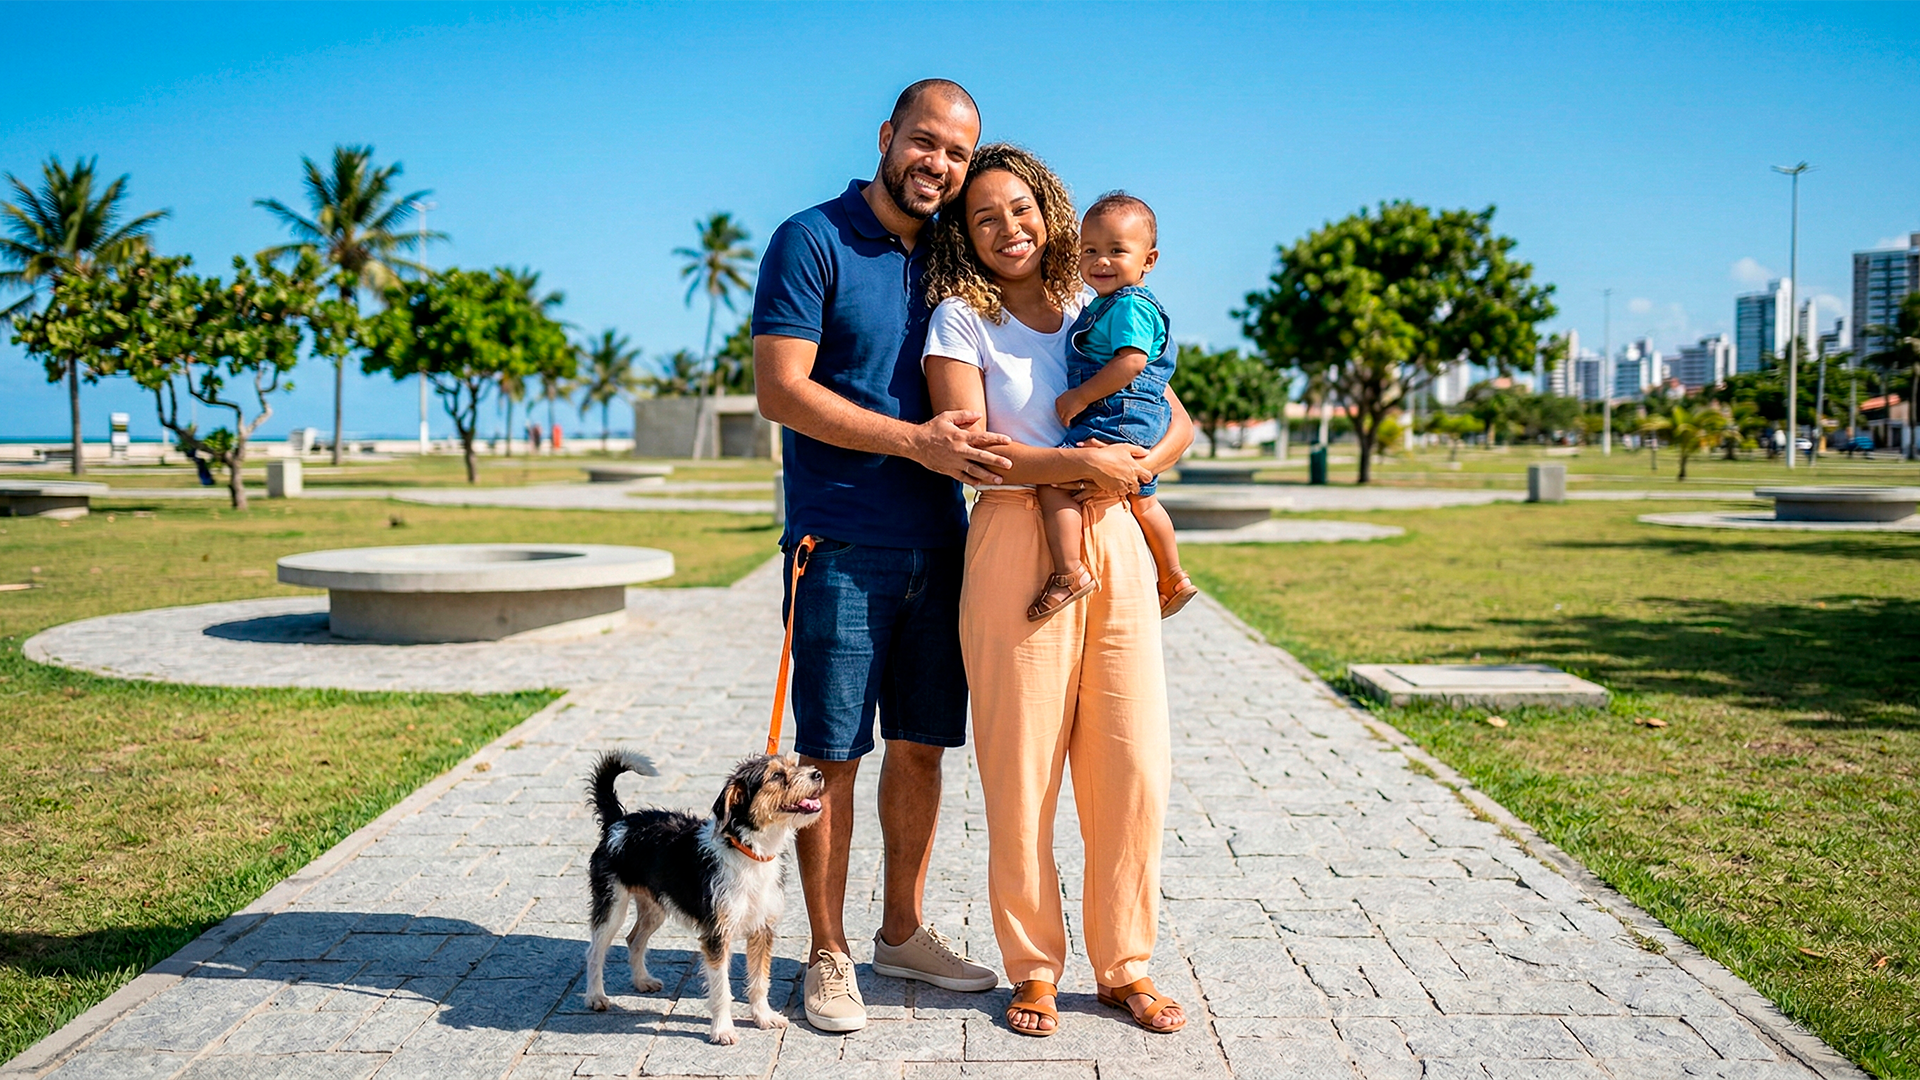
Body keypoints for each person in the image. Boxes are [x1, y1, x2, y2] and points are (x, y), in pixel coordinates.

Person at [751, 79, 1005, 1034]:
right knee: (828, 761)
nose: (937, 164)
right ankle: (826, 954)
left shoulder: (952, 256)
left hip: (945, 544)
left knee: (924, 748)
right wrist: (916, 445)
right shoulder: (810, 239)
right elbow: (781, 390)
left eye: (956, 153)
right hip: (841, 542)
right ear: (888, 135)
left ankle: (900, 932)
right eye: (925, 142)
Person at [922, 143, 1193, 1037]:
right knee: (1021, 771)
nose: (1008, 228)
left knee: (1132, 764)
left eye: (1021, 209)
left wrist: (1132, 470)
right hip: (1009, 533)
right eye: (984, 215)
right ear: (965, 231)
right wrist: (1079, 457)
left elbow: (1177, 417)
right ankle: (1034, 969)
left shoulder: (1101, 302)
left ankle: (1126, 967)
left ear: (1051, 210)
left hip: (1111, 527)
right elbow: (971, 446)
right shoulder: (961, 319)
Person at [1027, 192, 1195, 622]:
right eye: (1090, 251)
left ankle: (1068, 574)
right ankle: (1173, 575)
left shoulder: (1130, 305)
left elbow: (1132, 361)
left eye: (1117, 251)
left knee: (1053, 482)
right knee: (1145, 501)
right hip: (1139, 421)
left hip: (1115, 416)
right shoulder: (1108, 304)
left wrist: (1080, 397)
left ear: (1149, 259)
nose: (1100, 261)